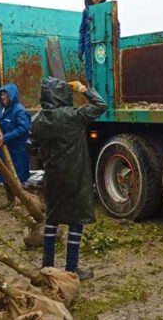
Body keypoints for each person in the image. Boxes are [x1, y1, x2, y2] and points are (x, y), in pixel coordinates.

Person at [30, 77, 108, 280]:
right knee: (76, 221)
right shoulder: (74, 116)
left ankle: (47, 267)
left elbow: (32, 146)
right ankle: (71, 269)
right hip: (76, 175)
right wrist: (83, 89)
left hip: (52, 175)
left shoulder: (37, 120)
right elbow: (101, 105)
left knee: (52, 220)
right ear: (63, 94)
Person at [0, 82, 31, 209]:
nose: (3, 97)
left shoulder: (19, 111)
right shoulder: (2, 111)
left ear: (12, 95)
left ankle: (20, 201)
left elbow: (23, 128)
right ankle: (10, 200)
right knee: (5, 176)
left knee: (17, 177)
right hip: (5, 149)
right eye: (1, 95)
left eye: (5, 95)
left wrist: (6, 137)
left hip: (17, 150)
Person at [78, 0, 107, 87]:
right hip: (89, 46)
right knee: (90, 71)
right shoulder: (86, 12)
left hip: (103, 45)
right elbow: (82, 31)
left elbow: (115, 28)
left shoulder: (107, 10)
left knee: (104, 69)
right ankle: (93, 97)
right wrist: (80, 50)